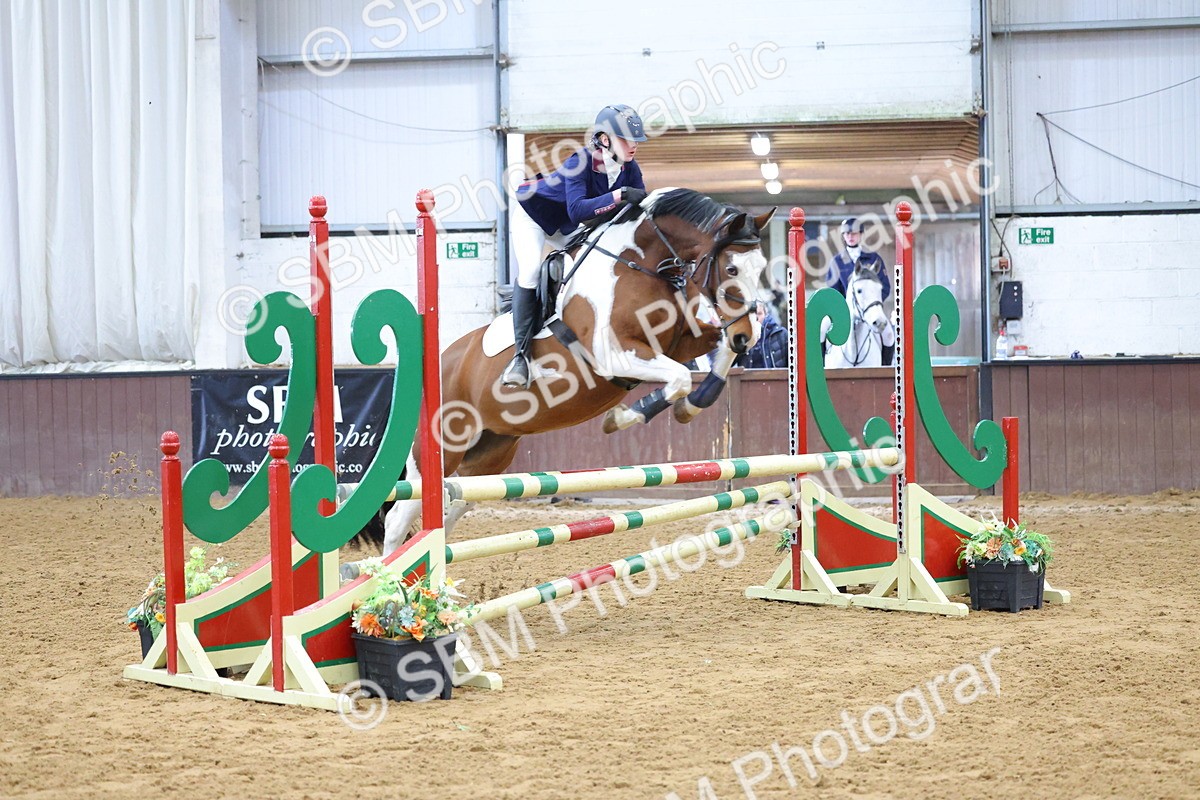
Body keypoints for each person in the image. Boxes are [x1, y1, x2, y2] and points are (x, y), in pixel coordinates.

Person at [502, 105, 649, 388]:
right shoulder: (580, 162)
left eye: (635, 140)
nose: (633, 146)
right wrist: (618, 195)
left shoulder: (630, 168)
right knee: (532, 269)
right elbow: (578, 211)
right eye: (626, 139)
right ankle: (520, 357)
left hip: (568, 227)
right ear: (604, 140)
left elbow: (638, 208)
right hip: (534, 215)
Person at [826, 217, 894, 364]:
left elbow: (885, 287)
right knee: (821, 329)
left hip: (870, 310)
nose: (851, 237)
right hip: (843, 312)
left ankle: (885, 371)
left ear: (861, 234)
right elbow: (832, 291)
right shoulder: (836, 262)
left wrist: (870, 305)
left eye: (854, 233)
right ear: (843, 236)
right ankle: (818, 369)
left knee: (889, 334)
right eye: (847, 234)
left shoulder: (873, 259)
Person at [735, 303, 788, 369]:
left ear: (766, 315)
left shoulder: (781, 333)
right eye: (751, 315)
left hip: (776, 377)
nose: (756, 318)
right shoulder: (741, 336)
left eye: (759, 314)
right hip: (748, 378)